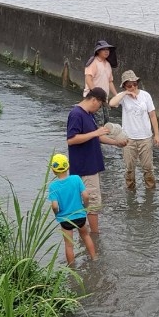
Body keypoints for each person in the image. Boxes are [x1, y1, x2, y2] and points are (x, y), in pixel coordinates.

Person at [66, 88, 128, 234]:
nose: (99, 108)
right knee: (93, 203)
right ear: (94, 100)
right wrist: (96, 132)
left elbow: (96, 137)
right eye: (100, 105)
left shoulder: (88, 114)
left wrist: (115, 143)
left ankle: (85, 234)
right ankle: (94, 236)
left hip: (90, 165)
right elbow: (71, 140)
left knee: (85, 202)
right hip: (85, 167)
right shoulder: (76, 114)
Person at [109, 70, 159, 191]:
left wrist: (157, 135)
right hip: (128, 138)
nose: (133, 87)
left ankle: (150, 193)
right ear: (124, 86)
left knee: (148, 167)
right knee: (129, 168)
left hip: (145, 137)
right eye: (129, 85)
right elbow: (111, 103)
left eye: (135, 84)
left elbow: (152, 115)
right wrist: (125, 93)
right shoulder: (123, 97)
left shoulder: (145, 96)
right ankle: (130, 192)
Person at [47, 153, 98, 265]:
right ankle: (94, 258)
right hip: (79, 215)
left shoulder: (53, 186)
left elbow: (54, 205)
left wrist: (57, 214)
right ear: (68, 167)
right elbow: (85, 196)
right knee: (86, 236)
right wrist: (85, 207)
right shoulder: (76, 179)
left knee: (69, 245)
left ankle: (71, 267)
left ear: (53, 170)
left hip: (65, 219)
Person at [84, 40, 119, 128]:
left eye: (108, 49)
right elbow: (88, 79)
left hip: (104, 99)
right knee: (97, 124)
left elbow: (110, 81)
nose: (106, 51)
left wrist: (116, 96)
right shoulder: (93, 62)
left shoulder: (107, 64)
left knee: (106, 123)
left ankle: (101, 141)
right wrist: (96, 94)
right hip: (94, 99)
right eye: (104, 49)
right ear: (98, 51)